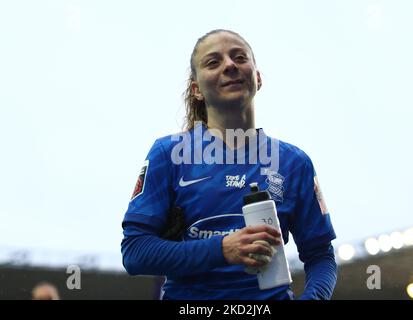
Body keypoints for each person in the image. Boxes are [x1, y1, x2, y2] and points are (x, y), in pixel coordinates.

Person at [121, 29, 337, 300]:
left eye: (240, 57)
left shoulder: (294, 163)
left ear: (257, 78)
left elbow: (320, 255)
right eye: (213, 62)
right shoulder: (168, 153)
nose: (230, 65)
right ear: (196, 89)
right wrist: (222, 249)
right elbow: (135, 252)